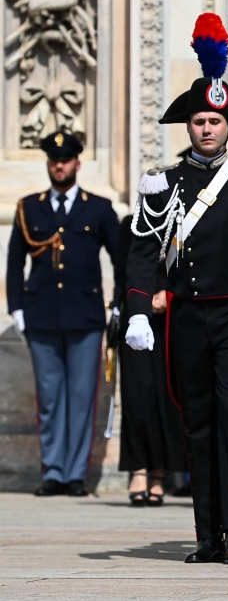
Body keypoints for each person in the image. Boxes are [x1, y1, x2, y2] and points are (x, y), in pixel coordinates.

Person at [124, 13, 228, 564]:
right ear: (188, 127)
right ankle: (206, 535)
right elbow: (144, 248)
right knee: (195, 420)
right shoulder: (163, 182)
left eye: (215, 122)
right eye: (198, 121)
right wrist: (136, 312)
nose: (206, 130)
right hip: (189, 315)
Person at [6, 131, 119, 497]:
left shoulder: (99, 208)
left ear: (77, 163)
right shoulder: (29, 207)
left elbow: (123, 262)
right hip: (41, 316)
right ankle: (52, 471)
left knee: (82, 397)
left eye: (66, 159)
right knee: (50, 397)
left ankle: (75, 475)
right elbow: (13, 265)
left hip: (85, 316)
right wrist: (17, 309)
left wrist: (119, 305)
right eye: (55, 160)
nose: (60, 165)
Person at [111, 215, 186, 506]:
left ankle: (159, 473)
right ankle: (139, 469)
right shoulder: (132, 224)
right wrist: (145, 296)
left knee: (166, 397)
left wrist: (167, 292)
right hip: (138, 317)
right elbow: (123, 269)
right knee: (137, 397)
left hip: (173, 319)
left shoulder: (182, 221)